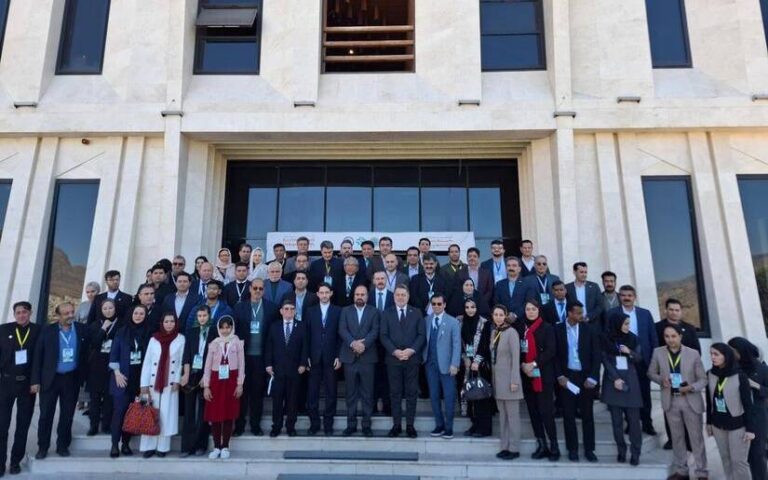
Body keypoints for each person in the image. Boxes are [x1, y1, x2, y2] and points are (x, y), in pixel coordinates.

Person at [648, 324, 708, 480]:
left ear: (680, 337)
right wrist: (661, 380)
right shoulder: (658, 352)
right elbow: (650, 372)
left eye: (673, 336)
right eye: (667, 336)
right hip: (670, 400)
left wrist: (691, 387)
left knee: (696, 439)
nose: (670, 340)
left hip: (690, 401)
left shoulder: (693, 354)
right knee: (677, 438)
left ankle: (702, 472)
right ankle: (682, 471)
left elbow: (703, 379)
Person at [32, 302, 88, 460]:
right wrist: (35, 380)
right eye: (66, 313)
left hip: (71, 378)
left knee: (67, 414)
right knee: (45, 415)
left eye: (72, 312)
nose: (71, 316)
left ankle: (63, 445)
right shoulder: (47, 331)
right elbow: (38, 356)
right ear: (58, 315)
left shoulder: (81, 329)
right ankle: (42, 447)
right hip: (51, 379)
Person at [606, 284, 658, 435]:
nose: (626, 298)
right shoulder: (611, 313)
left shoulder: (645, 314)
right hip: (622, 359)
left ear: (634, 297)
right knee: (627, 393)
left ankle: (647, 423)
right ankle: (630, 423)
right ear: (619, 297)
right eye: (623, 295)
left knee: (644, 392)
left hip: (642, 359)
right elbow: (608, 335)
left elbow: (653, 337)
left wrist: (654, 360)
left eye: (629, 295)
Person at [554, 301, 600, 463]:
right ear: (570, 313)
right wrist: (560, 376)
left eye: (582, 312)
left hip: (585, 377)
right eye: (579, 313)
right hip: (568, 378)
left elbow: (596, 355)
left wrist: (593, 377)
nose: (582, 316)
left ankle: (589, 449)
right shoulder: (558, 329)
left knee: (587, 415)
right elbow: (555, 356)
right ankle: (572, 449)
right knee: (568, 415)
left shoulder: (590, 330)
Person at [515, 299, 559, 461]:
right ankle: (542, 445)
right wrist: (523, 365)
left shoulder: (547, 328)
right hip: (527, 376)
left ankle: (554, 445)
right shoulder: (521, 329)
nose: (530, 312)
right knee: (533, 412)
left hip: (543, 376)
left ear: (538, 310)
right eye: (527, 309)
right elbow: (518, 350)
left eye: (533, 309)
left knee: (546, 412)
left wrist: (533, 364)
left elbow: (551, 351)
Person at [0, 302, 41, 476]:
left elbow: (40, 358)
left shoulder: (39, 331)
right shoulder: (3, 330)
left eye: (24, 312)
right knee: (2, 425)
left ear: (30, 313)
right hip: (5, 384)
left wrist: (36, 381)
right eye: (18, 312)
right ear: (14, 314)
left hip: (27, 385)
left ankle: (15, 461)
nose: (21, 315)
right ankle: (0, 463)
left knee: (23, 425)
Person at [379, 284, 425, 438]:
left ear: (408, 296)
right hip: (393, 360)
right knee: (395, 393)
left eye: (403, 295)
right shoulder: (386, 313)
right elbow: (383, 335)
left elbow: (421, 335)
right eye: (398, 295)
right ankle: (397, 425)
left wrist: (411, 351)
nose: (400, 297)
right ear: (394, 297)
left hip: (412, 359)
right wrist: (395, 351)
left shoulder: (417, 312)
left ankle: (410, 425)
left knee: (411, 393)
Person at [234, 278, 278, 436]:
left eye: (260, 288)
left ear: (264, 290)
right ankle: (239, 425)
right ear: (250, 289)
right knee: (241, 393)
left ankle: (255, 425)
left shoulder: (272, 308)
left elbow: (273, 335)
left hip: (261, 357)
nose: (258, 291)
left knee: (257, 393)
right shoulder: (240, 308)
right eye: (255, 288)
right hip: (243, 357)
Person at [656, 299, 701, 451]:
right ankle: (672, 439)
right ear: (666, 310)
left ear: (681, 312)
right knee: (669, 407)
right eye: (671, 309)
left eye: (677, 310)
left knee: (687, 408)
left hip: (686, 375)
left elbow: (697, 351)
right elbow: (655, 350)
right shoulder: (657, 327)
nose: (674, 312)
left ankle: (688, 440)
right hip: (667, 375)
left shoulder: (689, 329)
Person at [706, 343, 756, 480]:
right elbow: (709, 401)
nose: (712, 357)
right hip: (718, 425)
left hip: (737, 426)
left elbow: (748, 404)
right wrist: (708, 423)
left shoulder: (740, 376)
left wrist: (750, 429)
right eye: (711, 354)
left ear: (726, 356)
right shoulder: (710, 374)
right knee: (726, 459)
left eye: (716, 354)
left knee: (739, 462)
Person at [139, 312, 185, 458]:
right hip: (152, 383)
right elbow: (147, 362)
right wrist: (143, 384)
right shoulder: (154, 339)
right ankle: (148, 447)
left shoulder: (181, 339)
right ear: (162, 323)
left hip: (169, 383)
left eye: (172, 321)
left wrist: (178, 380)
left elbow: (181, 363)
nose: (169, 324)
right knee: (150, 413)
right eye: (166, 321)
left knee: (165, 414)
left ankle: (162, 448)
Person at [108, 304, 151, 458]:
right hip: (122, 378)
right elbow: (113, 355)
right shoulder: (121, 332)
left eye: (141, 313)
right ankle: (115, 444)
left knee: (133, 412)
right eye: (136, 313)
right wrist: (117, 373)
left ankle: (126, 443)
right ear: (131, 314)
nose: (138, 316)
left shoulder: (148, 334)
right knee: (119, 412)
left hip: (140, 380)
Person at [601, 313, 643, 466]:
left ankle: (636, 452)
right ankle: (621, 450)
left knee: (633, 421)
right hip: (613, 381)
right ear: (617, 324)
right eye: (625, 324)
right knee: (616, 422)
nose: (627, 327)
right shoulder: (607, 339)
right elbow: (604, 359)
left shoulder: (633, 339)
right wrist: (615, 378)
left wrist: (629, 352)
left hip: (630, 381)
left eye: (628, 323)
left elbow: (639, 358)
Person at [338, 285, 380, 437]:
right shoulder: (345, 310)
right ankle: (351, 425)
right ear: (353, 296)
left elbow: (375, 330)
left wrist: (363, 344)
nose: (360, 297)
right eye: (357, 294)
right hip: (350, 358)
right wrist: (353, 343)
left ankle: (367, 425)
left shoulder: (374, 311)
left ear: (367, 296)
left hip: (367, 358)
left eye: (363, 294)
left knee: (367, 394)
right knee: (351, 394)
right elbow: (342, 330)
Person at [203, 316, 245, 460]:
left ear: (232, 327)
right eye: (222, 327)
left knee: (228, 414)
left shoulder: (237, 342)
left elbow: (241, 364)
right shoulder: (214, 343)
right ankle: (216, 446)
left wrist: (240, 383)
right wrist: (206, 386)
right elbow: (207, 366)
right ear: (218, 329)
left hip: (231, 380)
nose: (225, 330)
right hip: (216, 380)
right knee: (215, 415)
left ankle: (225, 445)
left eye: (228, 327)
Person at [265, 300, 308, 437]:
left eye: (291, 309)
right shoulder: (274, 326)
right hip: (277, 370)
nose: (289, 311)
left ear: (295, 311)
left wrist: (303, 364)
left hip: (295, 370)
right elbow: (269, 347)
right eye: (286, 309)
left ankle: (290, 426)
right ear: (281, 311)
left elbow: (305, 347)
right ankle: (276, 426)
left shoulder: (301, 326)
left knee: (292, 400)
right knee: (277, 400)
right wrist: (268, 364)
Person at [484, 305, 522, 461]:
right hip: (498, 381)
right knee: (503, 417)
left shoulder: (512, 333)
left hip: (509, 381)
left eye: (501, 314)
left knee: (512, 416)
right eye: (496, 314)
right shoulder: (494, 332)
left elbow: (515, 358)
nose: (498, 317)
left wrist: (514, 381)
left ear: (506, 315)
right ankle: (504, 446)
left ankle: (514, 448)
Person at [727, 337, 768, 480]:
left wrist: (755, 385)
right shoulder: (733, 368)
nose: (731, 354)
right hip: (739, 416)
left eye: (734, 351)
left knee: (757, 454)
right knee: (743, 456)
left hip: (757, 417)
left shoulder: (762, 368)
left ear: (742, 351)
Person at [305, 283, 342, 436]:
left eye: (327, 292)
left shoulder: (338, 311)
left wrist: (339, 356)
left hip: (331, 357)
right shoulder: (310, 311)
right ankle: (314, 423)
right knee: (312, 392)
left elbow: (341, 336)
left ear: (331, 293)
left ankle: (328, 424)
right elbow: (306, 335)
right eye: (322, 292)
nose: (324, 295)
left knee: (331, 392)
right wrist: (305, 356)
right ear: (318, 294)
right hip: (313, 358)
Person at [422, 293, 460, 439]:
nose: (436, 306)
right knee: (434, 396)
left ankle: (449, 427)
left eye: (439, 304)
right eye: (434, 304)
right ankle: (439, 425)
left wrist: (455, 364)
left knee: (449, 397)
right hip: (430, 364)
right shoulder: (426, 320)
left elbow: (456, 345)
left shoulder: (452, 322)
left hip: (447, 366)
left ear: (444, 305)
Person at [180, 305, 217, 457]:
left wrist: (206, 376)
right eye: (200, 316)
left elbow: (215, 356)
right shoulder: (191, 332)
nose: (202, 318)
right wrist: (186, 374)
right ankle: (187, 446)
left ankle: (201, 444)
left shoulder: (214, 332)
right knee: (189, 411)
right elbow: (187, 354)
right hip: (192, 373)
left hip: (206, 374)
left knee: (203, 411)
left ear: (209, 316)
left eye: (205, 316)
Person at [458, 298, 492, 437]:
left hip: (481, 366)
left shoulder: (484, 323)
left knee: (481, 397)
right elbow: (458, 343)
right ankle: (474, 424)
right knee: (470, 396)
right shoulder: (460, 323)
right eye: (467, 307)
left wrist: (476, 361)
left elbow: (486, 345)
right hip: (465, 365)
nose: (470, 310)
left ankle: (484, 428)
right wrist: (465, 358)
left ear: (477, 308)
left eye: (473, 307)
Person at [86, 299, 120, 436]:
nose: (108, 311)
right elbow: (93, 343)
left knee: (109, 398)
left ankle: (106, 425)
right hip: (96, 366)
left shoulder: (120, 324)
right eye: (105, 308)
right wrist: (103, 329)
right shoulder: (95, 325)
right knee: (94, 399)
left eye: (110, 308)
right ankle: (93, 425)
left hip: (112, 365)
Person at [564, 262, 603, 327]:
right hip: (574, 323)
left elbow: (600, 306)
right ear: (574, 272)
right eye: (581, 272)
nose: (584, 274)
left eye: (585, 272)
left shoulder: (594, 287)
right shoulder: (568, 287)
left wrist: (589, 317)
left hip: (592, 324)